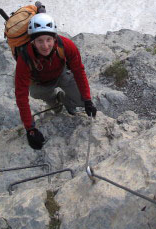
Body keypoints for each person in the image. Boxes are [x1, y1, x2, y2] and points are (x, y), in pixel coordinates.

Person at [14, 13, 97, 149]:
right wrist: (30, 129)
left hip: (61, 74)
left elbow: (79, 71)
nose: (45, 45)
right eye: (40, 41)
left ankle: (64, 100)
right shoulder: (25, 58)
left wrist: (87, 101)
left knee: (80, 101)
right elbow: (21, 94)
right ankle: (54, 101)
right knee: (39, 94)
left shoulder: (66, 45)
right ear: (32, 42)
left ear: (54, 38)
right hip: (40, 83)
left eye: (48, 40)